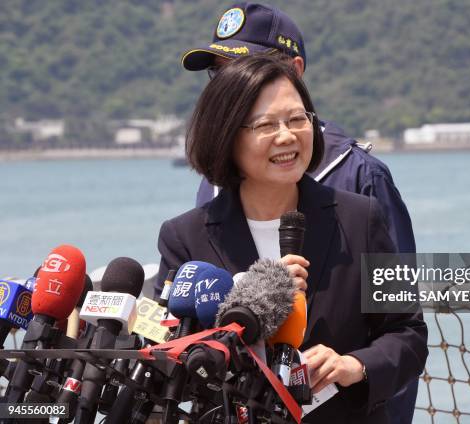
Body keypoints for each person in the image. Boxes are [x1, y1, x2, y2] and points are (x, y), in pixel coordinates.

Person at [156, 54, 427, 423]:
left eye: (298, 119)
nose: (286, 136)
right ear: (226, 136)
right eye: (265, 125)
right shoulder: (183, 237)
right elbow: (170, 361)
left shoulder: (362, 217)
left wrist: (355, 365)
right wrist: (251, 301)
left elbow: (408, 334)